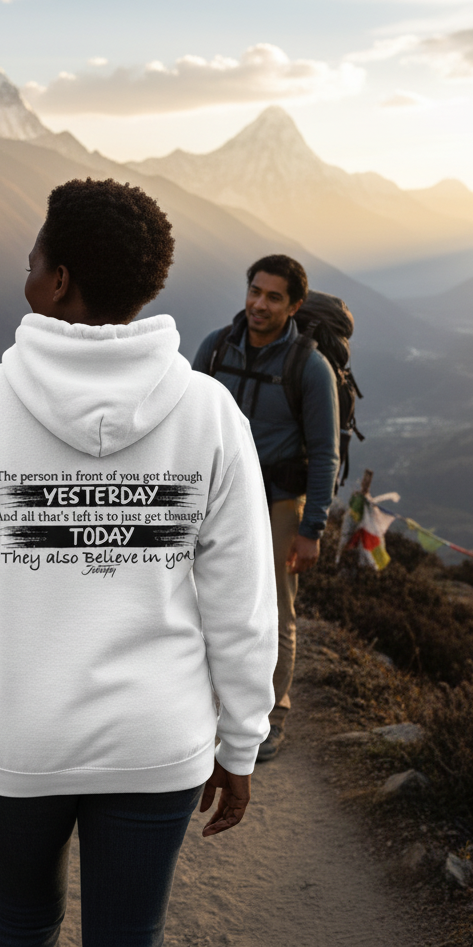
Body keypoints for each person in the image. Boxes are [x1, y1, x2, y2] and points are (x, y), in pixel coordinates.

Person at [0, 179, 277, 946]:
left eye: (33, 257)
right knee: (129, 935)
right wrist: (241, 741)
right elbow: (239, 603)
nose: (26, 272)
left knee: (25, 924)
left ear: (58, 280)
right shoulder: (209, 413)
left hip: (18, 740)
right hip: (157, 738)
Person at [193, 255, 339, 762]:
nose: (259, 303)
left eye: (273, 296)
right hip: (215, 494)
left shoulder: (309, 366)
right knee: (200, 596)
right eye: (255, 291)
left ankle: (272, 714)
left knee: (276, 606)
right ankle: (210, 701)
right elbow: (188, 419)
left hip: (279, 499)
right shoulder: (215, 347)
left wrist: (312, 528)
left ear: (294, 305)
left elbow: (325, 453)